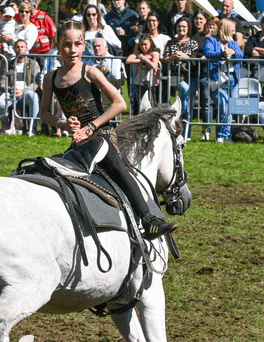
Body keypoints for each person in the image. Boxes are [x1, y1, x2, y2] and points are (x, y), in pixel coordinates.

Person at [39, 22, 176, 239]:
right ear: (58, 45)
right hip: (78, 141)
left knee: (115, 165)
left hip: (102, 134)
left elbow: (120, 103)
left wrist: (90, 127)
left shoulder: (90, 72)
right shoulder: (51, 78)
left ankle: (149, 219)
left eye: (77, 44)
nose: (72, 50)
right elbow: (44, 113)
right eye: (66, 45)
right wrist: (62, 124)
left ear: (84, 46)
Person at [203, 18, 244, 143]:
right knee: (223, 105)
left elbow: (241, 55)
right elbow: (208, 53)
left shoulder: (232, 43)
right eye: (232, 30)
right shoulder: (211, 40)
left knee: (229, 108)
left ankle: (225, 136)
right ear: (225, 30)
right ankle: (221, 135)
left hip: (232, 78)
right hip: (217, 78)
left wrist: (233, 52)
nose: (234, 33)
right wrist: (222, 54)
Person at [0, 38, 42, 135]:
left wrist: (23, 91)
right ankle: (5, 126)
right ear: (14, 49)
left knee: (34, 97)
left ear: (26, 49)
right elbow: (2, 82)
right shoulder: (8, 64)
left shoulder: (33, 63)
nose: (20, 49)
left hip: (26, 93)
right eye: (17, 47)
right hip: (10, 92)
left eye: (22, 47)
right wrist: (11, 90)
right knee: (0, 102)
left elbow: (36, 82)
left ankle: (32, 129)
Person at [163, 16, 200, 121]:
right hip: (176, 76)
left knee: (190, 101)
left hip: (190, 75)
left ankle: (186, 134)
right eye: (179, 26)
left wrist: (185, 57)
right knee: (184, 89)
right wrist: (173, 57)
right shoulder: (171, 43)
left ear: (188, 28)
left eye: (184, 26)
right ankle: (182, 114)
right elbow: (165, 59)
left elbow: (195, 59)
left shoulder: (193, 43)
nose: (181, 29)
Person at [127, 34, 161, 115]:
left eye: (145, 44)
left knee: (150, 106)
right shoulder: (138, 53)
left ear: (150, 43)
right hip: (139, 83)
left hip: (150, 84)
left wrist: (144, 58)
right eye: (141, 44)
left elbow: (153, 65)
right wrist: (141, 60)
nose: (143, 47)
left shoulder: (154, 53)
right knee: (139, 106)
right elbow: (128, 60)